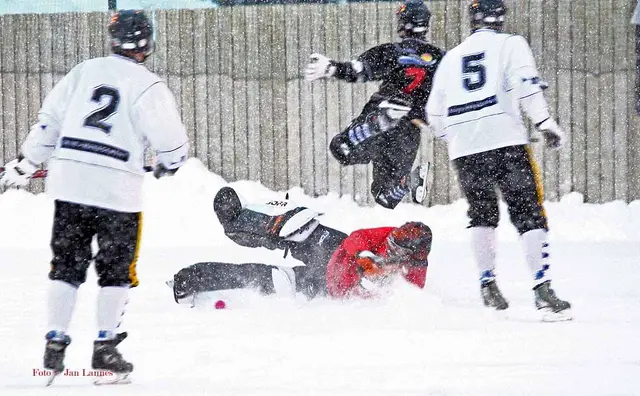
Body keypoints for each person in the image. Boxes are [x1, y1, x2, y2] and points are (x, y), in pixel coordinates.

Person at [0, 10, 189, 382]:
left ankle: (55, 344)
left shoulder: (84, 72)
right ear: (147, 44)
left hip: (70, 183)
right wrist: (170, 163)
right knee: (116, 270)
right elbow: (172, 145)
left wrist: (26, 163)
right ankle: (105, 348)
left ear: (113, 39)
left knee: (66, 266)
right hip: (119, 191)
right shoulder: (149, 85)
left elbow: (48, 123)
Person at [425, 0, 571, 320]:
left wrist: (456, 138)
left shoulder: (450, 58)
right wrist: (544, 122)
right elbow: (526, 85)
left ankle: (487, 282)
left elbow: (433, 113)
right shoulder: (512, 43)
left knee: (482, 212)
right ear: (500, 18)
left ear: (472, 20)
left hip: (465, 147)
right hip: (505, 140)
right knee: (527, 210)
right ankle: (542, 287)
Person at [169, 187, 432, 303]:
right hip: (335, 246)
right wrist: (363, 255)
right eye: (392, 240)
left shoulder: (414, 274)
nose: (390, 245)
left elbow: (393, 300)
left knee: (268, 278)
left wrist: (369, 281)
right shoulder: (391, 234)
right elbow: (358, 237)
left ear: (413, 255)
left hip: (327, 285)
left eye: (397, 248)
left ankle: (194, 278)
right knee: (292, 223)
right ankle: (238, 221)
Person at [304, 0, 444, 209]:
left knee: (341, 149)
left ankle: (376, 125)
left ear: (403, 22)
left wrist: (332, 68)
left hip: (382, 109)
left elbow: (359, 70)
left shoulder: (393, 51)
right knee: (385, 196)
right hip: (410, 128)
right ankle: (411, 181)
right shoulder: (441, 59)